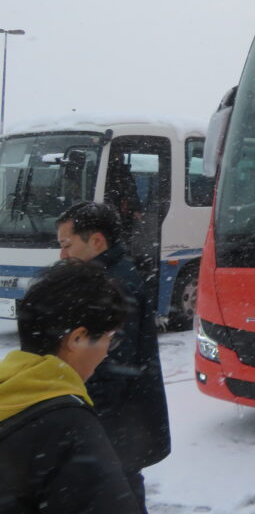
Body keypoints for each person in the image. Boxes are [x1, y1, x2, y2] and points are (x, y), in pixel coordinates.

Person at [56, 201, 170, 513]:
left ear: (96, 241)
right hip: (123, 427)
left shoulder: (113, 287)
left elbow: (112, 370)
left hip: (118, 426)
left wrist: (86, 423)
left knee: (119, 494)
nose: (62, 255)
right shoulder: (110, 276)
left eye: (67, 245)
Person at [0, 259, 140, 513]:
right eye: (110, 338)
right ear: (77, 338)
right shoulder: (70, 428)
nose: (107, 352)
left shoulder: (9, 389)